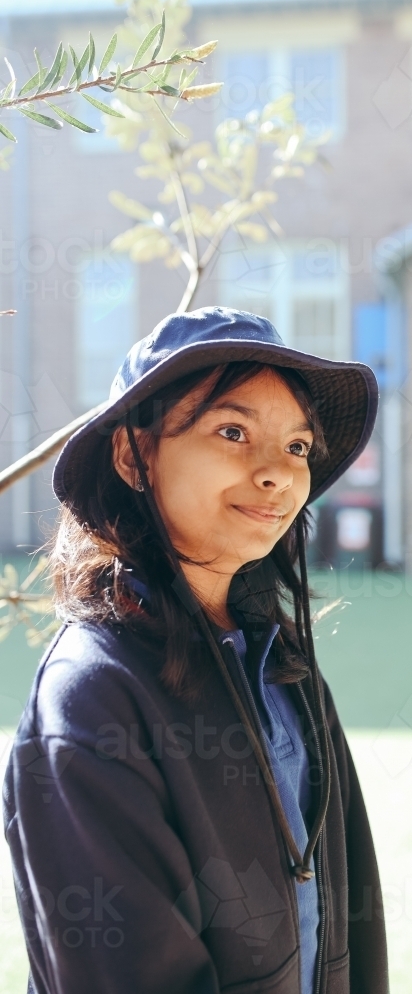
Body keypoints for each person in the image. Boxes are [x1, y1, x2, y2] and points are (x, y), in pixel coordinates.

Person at [3, 307, 389, 994]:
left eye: (297, 447)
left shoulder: (278, 659)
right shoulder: (92, 695)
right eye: (232, 431)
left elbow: (348, 907)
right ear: (133, 455)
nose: (277, 472)